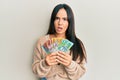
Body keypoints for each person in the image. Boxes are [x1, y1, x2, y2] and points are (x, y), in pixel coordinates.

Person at [32, 3, 87, 80]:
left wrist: (70, 64)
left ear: (69, 22)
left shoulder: (77, 44)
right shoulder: (41, 42)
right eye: (57, 18)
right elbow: (35, 70)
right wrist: (45, 63)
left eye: (64, 19)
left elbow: (80, 73)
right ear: (53, 20)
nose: (60, 23)